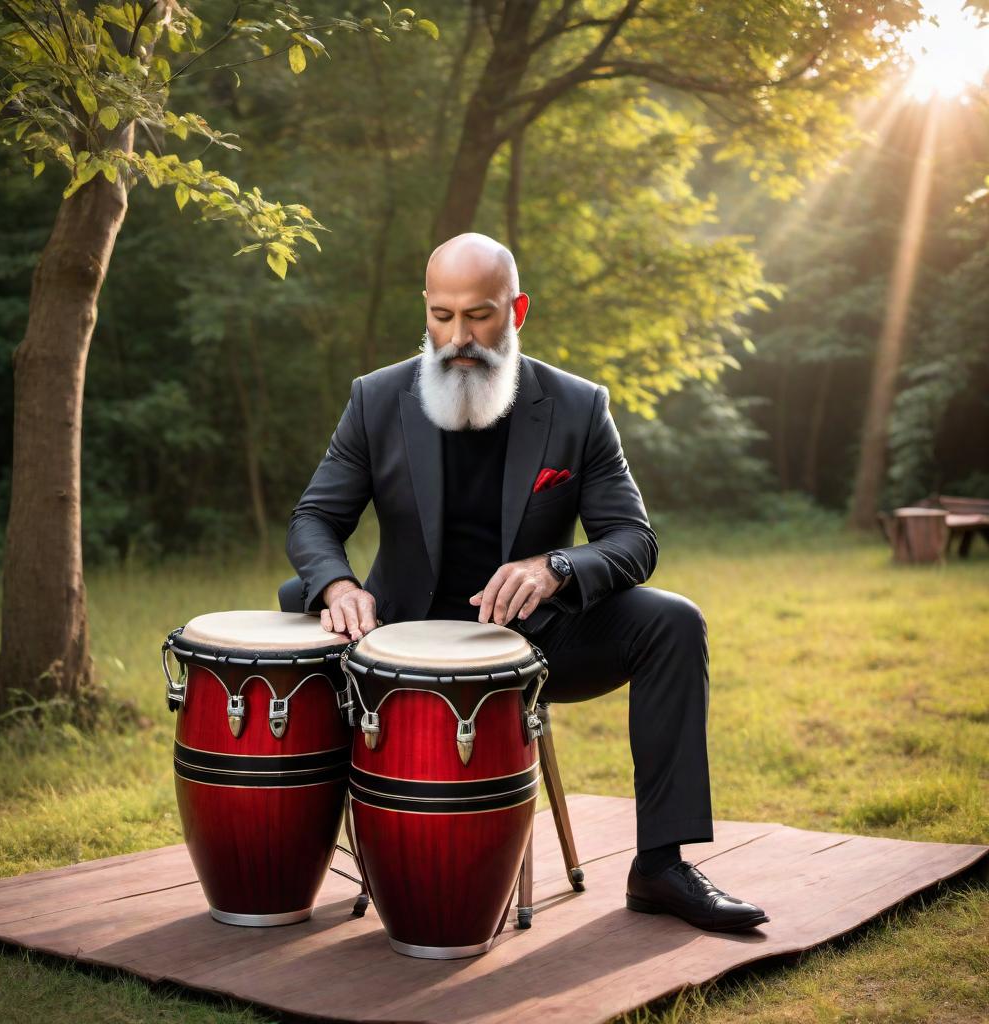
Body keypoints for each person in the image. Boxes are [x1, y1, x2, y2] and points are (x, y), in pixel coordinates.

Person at [279, 232, 768, 932]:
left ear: (518, 310)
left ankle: (661, 866)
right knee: (292, 613)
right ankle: (285, 858)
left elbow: (635, 540)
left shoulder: (577, 407)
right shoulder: (375, 399)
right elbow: (314, 519)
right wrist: (337, 587)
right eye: (442, 316)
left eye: (478, 315)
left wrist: (557, 567)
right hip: (393, 642)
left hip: (536, 646)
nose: (458, 337)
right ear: (425, 310)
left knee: (674, 622)